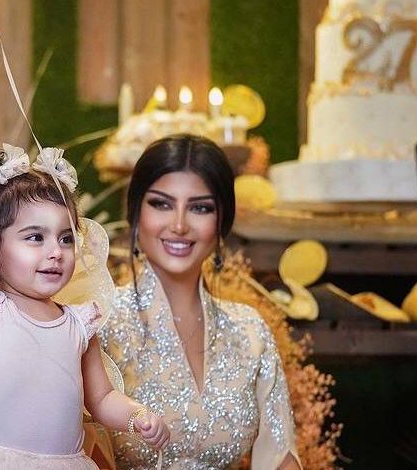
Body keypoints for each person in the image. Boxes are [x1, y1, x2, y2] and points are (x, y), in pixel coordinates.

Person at [0, 97, 170, 469]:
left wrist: (137, 415)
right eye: (35, 237)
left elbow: (101, 399)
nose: (55, 252)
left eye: (65, 238)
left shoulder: (80, 323)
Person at [101, 134, 302, 470]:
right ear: (135, 214)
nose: (179, 225)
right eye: (161, 204)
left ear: (221, 222)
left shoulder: (249, 332)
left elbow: (280, 457)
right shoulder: (97, 324)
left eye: (200, 208)